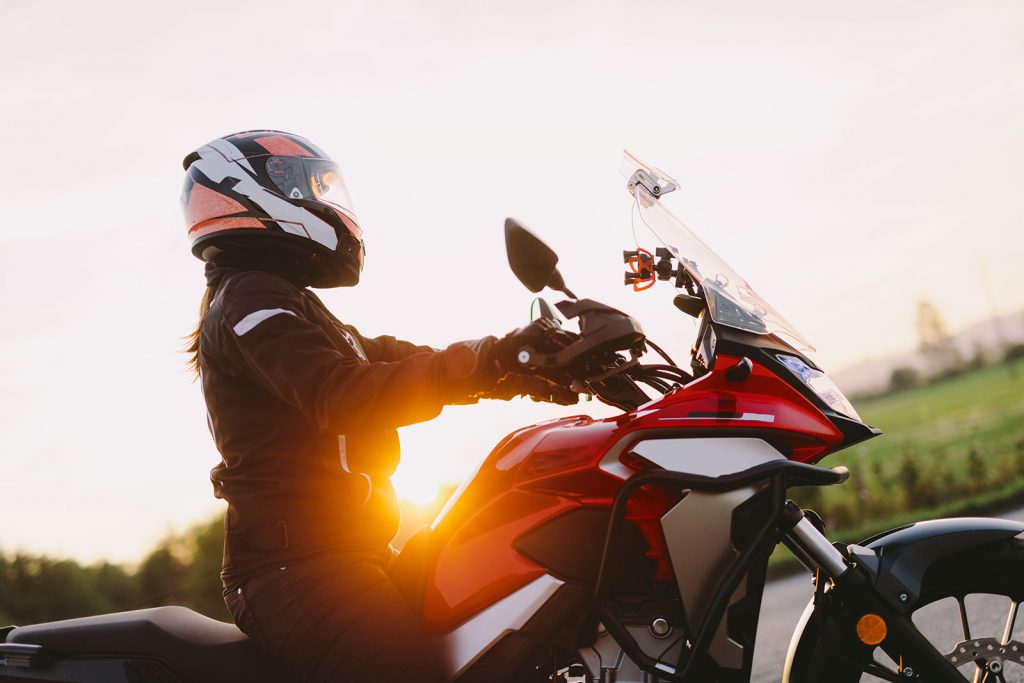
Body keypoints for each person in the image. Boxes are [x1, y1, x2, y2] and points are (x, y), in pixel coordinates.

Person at [180, 130, 577, 683]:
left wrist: (517, 367)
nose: (324, 199)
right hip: (294, 571)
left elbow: (394, 360)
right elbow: (342, 393)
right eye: (309, 187)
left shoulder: (289, 304)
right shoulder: (249, 297)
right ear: (249, 192)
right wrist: (493, 360)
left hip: (351, 553)